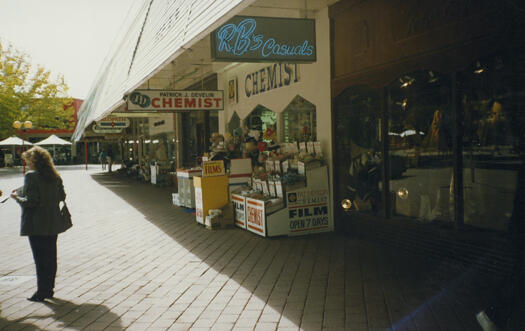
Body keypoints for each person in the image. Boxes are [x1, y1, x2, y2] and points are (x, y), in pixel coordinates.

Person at [10, 146, 69, 302]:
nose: (27, 163)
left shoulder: (31, 176)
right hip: (53, 221)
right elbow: (61, 195)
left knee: (40, 259)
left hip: (37, 223)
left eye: (27, 160)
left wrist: (16, 197)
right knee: (51, 256)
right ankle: (49, 289)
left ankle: (41, 291)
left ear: (33, 160)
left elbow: (31, 202)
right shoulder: (55, 176)